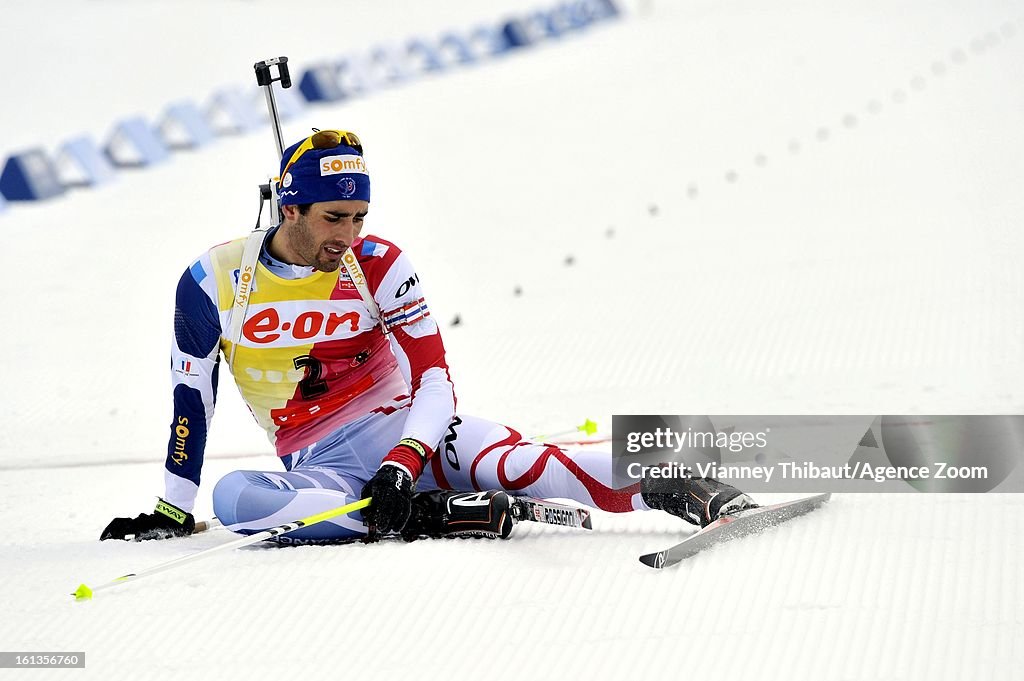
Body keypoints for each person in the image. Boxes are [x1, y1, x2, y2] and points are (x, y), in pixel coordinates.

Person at [101, 129, 756, 544]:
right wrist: (172, 507)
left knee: (523, 465)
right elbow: (193, 402)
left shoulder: (379, 261)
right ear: (289, 208)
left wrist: (406, 458)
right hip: (325, 466)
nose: (348, 236)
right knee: (236, 500)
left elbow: (435, 376)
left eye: (359, 217)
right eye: (335, 218)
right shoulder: (212, 279)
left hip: (417, 432)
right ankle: (432, 514)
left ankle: (680, 485)